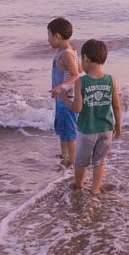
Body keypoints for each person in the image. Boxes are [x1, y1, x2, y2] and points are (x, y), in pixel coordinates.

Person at [66, 37, 122, 195]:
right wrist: (118, 125)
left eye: (81, 60)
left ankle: (78, 185)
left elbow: (77, 108)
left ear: (86, 58)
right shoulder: (111, 80)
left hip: (87, 130)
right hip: (106, 129)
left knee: (81, 161)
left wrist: (65, 100)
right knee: (100, 161)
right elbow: (116, 105)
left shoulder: (81, 82)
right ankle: (96, 189)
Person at [47, 17, 82, 168]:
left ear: (58, 36)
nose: (48, 40)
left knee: (69, 130)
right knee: (62, 127)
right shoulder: (71, 52)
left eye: (49, 36)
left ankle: (73, 162)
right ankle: (64, 155)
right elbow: (80, 68)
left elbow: (76, 74)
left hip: (67, 98)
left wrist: (61, 86)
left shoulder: (67, 54)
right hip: (61, 98)